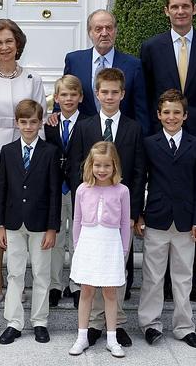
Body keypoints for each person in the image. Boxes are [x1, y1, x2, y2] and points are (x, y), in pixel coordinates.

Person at [140, 0, 196, 302]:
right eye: (174, 7)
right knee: (163, 202)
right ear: (166, 10)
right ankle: (162, 282)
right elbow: (146, 95)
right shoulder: (151, 47)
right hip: (161, 141)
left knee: (193, 202)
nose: (180, 11)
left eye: (185, 6)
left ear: (194, 9)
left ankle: (192, 281)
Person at [0, 19, 46, 304]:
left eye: (9, 41)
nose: (4, 47)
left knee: (24, 215)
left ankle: (21, 282)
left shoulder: (33, 79)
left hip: (28, 155)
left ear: (18, 44)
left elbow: (39, 121)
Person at [70, 68, 145, 348]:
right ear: (97, 94)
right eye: (105, 92)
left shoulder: (133, 127)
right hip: (91, 213)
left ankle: (117, 326)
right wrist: (89, 190)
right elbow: (76, 163)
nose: (110, 96)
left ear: (122, 94)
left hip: (118, 216)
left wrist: (135, 213)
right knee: (90, 282)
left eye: (115, 92)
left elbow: (138, 172)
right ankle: (92, 326)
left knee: (115, 278)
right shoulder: (85, 126)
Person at [135, 89, 196, 349]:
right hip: (156, 218)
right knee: (153, 277)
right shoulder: (149, 143)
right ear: (158, 114)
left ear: (185, 115)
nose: (171, 117)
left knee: (182, 277)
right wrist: (139, 215)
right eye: (166, 112)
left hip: (186, 222)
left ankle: (184, 326)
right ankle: (150, 324)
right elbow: (140, 180)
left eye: (177, 112)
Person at [0, 99, 61, 345]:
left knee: (42, 273)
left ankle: (40, 321)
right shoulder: (9, 151)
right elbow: (2, 190)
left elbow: (54, 192)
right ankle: (14, 322)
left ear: (40, 122)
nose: (29, 126)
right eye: (23, 122)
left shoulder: (50, 152)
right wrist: (0, 224)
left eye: (33, 122)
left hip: (41, 223)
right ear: (17, 123)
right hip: (13, 223)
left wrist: (52, 227)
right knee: (15, 273)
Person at [68, 141, 131, 358]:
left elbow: (125, 223)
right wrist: (77, 247)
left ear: (114, 166)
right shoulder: (82, 190)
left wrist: (123, 251)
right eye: (97, 165)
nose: (102, 170)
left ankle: (112, 338)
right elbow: (76, 221)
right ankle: (82, 336)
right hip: (88, 243)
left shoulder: (122, 191)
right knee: (86, 291)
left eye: (106, 166)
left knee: (110, 292)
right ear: (90, 165)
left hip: (111, 245)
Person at [62, 9, 151, 136]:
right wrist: (56, 113)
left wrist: (143, 140)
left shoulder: (133, 65)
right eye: (98, 29)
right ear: (90, 33)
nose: (104, 33)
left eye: (109, 28)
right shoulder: (74, 61)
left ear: (115, 31)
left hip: (121, 136)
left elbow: (140, 108)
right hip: (83, 136)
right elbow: (64, 91)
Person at [44, 75, 87, 308]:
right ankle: (54, 285)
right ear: (57, 98)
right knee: (57, 238)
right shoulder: (49, 125)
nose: (68, 99)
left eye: (73, 94)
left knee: (77, 238)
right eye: (64, 95)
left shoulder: (89, 123)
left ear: (80, 97)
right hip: (55, 189)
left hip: (79, 188)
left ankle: (77, 284)